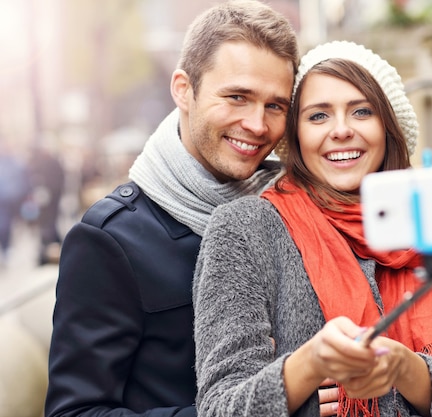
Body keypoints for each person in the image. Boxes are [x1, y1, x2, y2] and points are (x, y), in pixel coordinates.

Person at [193, 41, 432, 417]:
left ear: (388, 127)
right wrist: (307, 365)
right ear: (297, 135)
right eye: (318, 116)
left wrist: (406, 368)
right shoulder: (247, 229)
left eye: (362, 111)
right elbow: (220, 407)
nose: (340, 130)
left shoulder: (425, 222)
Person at [44, 2, 301, 416]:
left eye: (275, 106)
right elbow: (75, 411)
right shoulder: (111, 240)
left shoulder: (292, 210)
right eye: (237, 97)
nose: (258, 124)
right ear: (183, 89)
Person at [26, 146, 66, 265]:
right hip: (44, 201)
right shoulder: (38, 163)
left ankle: (50, 251)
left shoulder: (51, 163)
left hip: (51, 199)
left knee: (49, 225)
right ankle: (48, 251)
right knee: (47, 226)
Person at [0, 142, 31, 266]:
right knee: (6, 224)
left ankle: (6, 248)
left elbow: (24, 180)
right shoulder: (17, 163)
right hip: (10, 199)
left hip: (8, 200)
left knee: (6, 224)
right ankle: (6, 248)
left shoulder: (16, 163)